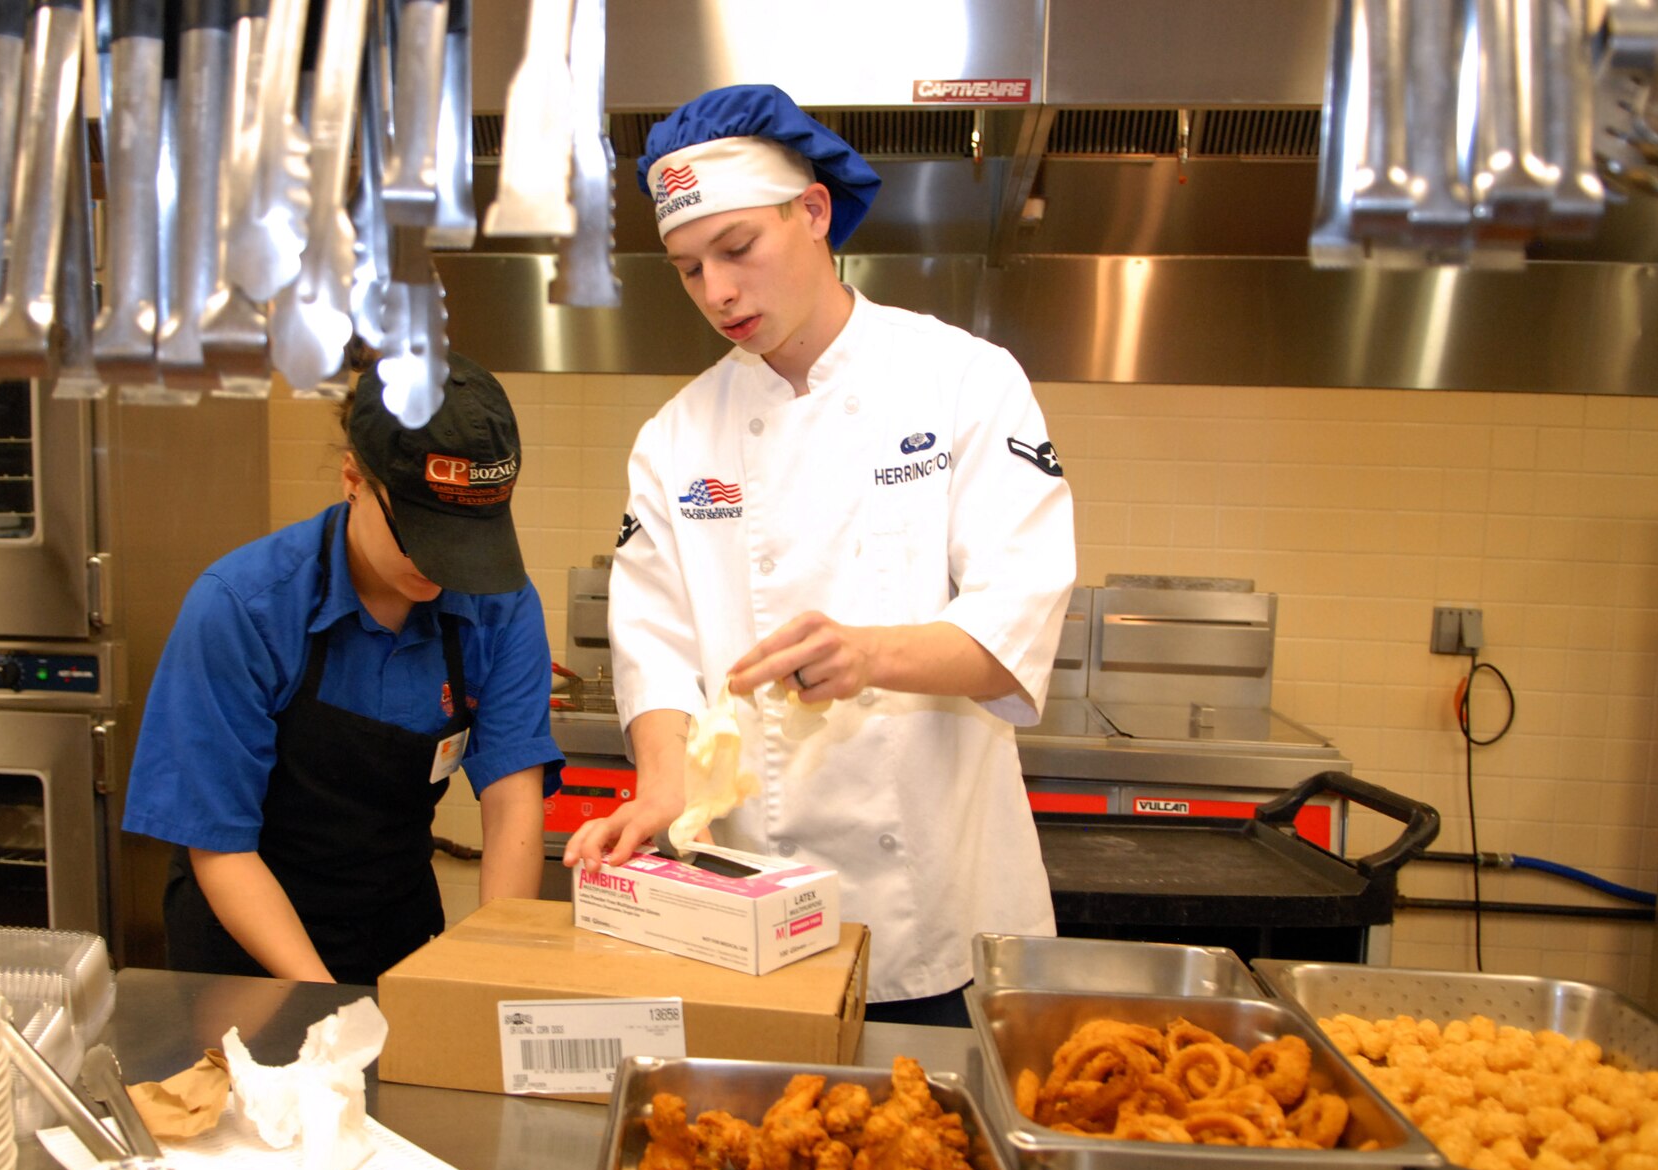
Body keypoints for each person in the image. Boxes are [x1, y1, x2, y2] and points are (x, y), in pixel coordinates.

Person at [563, 85, 1076, 1026]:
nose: (717, 292)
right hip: (750, 910)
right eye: (686, 268)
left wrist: (869, 653)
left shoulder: (962, 380)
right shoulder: (675, 438)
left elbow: (1017, 617)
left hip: (945, 912)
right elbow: (655, 649)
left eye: (737, 249)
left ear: (813, 213)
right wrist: (661, 791)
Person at [126, 354, 564, 986]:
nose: (443, 567)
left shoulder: (499, 601)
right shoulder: (242, 606)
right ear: (354, 478)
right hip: (244, 950)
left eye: (468, 540)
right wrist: (325, 1005)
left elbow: (512, 804)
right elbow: (219, 844)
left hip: (398, 933)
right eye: (421, 534)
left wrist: (491, 973)